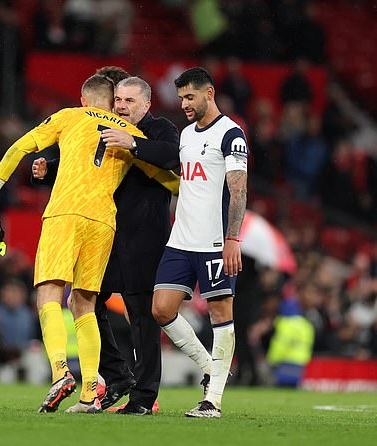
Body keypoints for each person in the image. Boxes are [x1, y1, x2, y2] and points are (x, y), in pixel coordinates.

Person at [0, 74, 169, 413]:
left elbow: (19, 147)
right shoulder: (131, 135)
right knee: (84, 302)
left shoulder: (69, 116)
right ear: (112, 103)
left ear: (84, 99)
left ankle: (60, 374)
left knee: (49, 293)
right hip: (103, 223)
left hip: (66, 212)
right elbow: (170, 178)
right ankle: (87, 396)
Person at [32, 72, 180, 415]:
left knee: (142, 317)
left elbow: (173, 157)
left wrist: (134, 144)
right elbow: (85, 163)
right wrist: (47, 169)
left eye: (129, 101)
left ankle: (143, 398)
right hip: (106, 233)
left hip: (144, 236)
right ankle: (117, 376)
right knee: (87, 303)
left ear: (146, 103)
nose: (122, 106)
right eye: (118, 100)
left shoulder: (159, 130)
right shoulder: (105, 127)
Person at [151, 67, 248, 418]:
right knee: (161, 308)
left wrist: (232, 238)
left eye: (189, 97)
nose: (185, 104)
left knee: (222, 316)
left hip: (214, 242)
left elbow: (238, 190)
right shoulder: (186, 134)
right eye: (181, 99)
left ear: (209, 93)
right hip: (181, 239)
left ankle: (214, 400)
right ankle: (211, 365)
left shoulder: (231, 134)